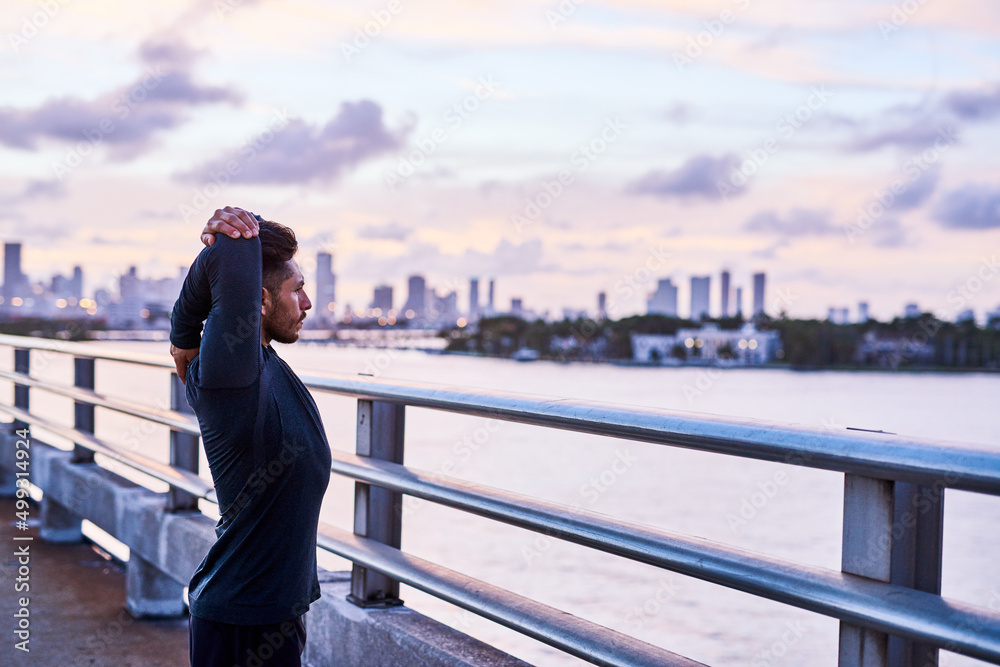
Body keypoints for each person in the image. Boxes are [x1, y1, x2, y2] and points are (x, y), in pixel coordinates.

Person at [169, 206, 332, 667]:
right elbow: (236, 254)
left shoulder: (263, 367)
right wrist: (237, 231)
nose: (307, 303)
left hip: (270, 611)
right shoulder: (232, 376)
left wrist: (182, 338)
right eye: (296, 289)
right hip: (243, 620)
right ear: (258, 302)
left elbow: (230, 272)